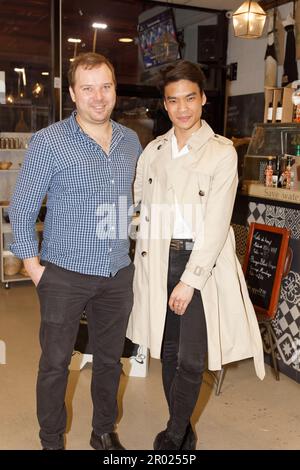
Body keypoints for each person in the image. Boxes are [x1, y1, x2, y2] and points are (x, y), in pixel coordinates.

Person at [127, 60, 265, 450]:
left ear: (203, 99)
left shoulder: (222, 153)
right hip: (159, 261)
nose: (182, 108)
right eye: (173, 100)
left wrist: (190, 280)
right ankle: (183, 429)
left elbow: (218, 223)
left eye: (190, 97)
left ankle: (173, 436)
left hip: (201, 265)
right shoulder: (152, 151)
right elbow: (136, 205)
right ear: (165, 105)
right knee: (167, 350)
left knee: (191, 358)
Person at [9, 52, 142, 450]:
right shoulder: (49, 141)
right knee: (54, 364)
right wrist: (35, 269)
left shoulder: (131, 140)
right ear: (72, 93)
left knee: (108, 361)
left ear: (115, 90)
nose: (98, 97)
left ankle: (103, 431)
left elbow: (130, 200)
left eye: (106, 86)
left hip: (117, 272)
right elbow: (22, 208)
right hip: (63, 274)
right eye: (88, 88)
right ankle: (51, 440)